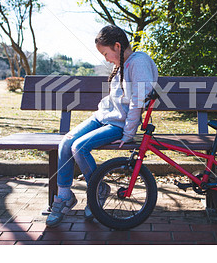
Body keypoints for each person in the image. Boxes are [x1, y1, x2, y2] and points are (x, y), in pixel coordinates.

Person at [46, 25, 159, 227]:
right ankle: (64, 197)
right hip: (104, 116)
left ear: (117, 46)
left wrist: (128, 133)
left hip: (118, 124)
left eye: (106, 53)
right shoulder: (123, 63)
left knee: (79, 147)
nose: (106, 58)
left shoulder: (138, 62)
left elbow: (138, 101)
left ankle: (97, 189)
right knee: (66, 142)